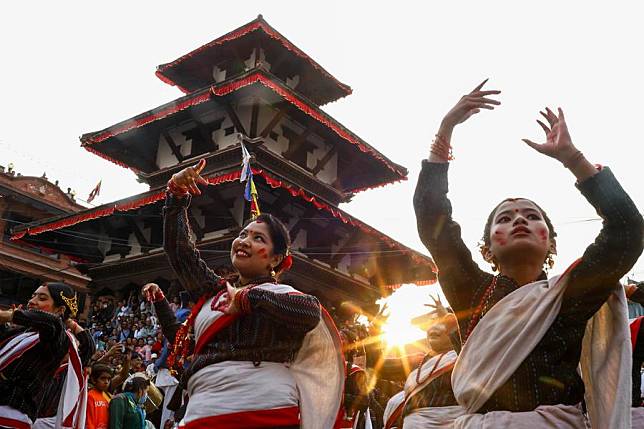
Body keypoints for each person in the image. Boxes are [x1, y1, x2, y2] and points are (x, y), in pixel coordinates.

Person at [414, 80, 644, 428]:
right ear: (488, 247)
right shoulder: (471, 290)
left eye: (531, 216)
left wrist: (573, 158)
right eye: (504, 219)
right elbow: (432, 218)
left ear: (550, 242)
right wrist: (445, 129)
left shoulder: (569, 294)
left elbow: (627, 230)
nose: (519, 219)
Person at [141, 158, 344, 429]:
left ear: (275, 259)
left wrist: (249, 299)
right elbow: (181, 253)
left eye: (259, 239)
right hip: (201, 412)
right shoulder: (215, 292)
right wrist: (176, 195)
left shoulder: (284, 296)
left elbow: (310, 313)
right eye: (243, 234)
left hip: (264, 413)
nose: (244, 241)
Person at [0, 282, 94, 428]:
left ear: (60, 309)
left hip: (9, 414)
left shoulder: (57, 337)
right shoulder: (21, 333)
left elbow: (52, 322)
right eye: (33, 296)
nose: (32, 301)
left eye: (42, 298)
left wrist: (9, 315)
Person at [384, 297, 463, 429]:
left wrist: (448, 318)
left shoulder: (463, 356)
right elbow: (382, 366)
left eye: (441, 322)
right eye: (432, 322)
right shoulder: (419, 361)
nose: (434, 327)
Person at [86, 364, 114, 429]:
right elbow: (89, 422)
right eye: (103, 378)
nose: (106, 382)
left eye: (108, 379)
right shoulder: (90, 396)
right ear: (93, 380)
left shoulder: (107, 396)